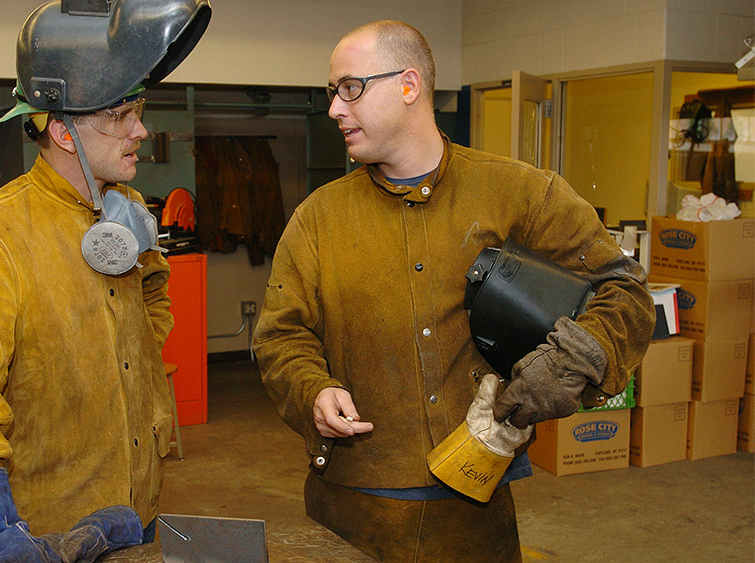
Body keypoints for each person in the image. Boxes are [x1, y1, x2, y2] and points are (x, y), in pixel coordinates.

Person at [252, 20, 654, 562]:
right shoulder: (318, 219)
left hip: (476, 504)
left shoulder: (518, 193)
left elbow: (623, 289)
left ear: (409, 85)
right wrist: (312, 390)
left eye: (350, 88)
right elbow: (281, 335)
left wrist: (568, 362)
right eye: (332, 93)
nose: (334, 110)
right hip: (351, 508)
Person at [0, 1, 211, 561]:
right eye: (120, 116)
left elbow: (146, 339)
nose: (141, 130)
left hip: (137, 516)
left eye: (138, 110)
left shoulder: (121, 212)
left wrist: (146, 263)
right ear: (63, 129)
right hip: (47, 533)